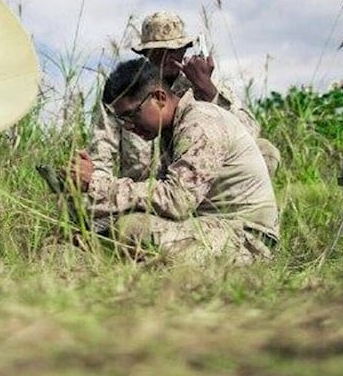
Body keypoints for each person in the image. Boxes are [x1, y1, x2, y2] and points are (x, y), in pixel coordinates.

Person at [82, 58, 280, 264]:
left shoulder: (199, 124)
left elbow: (177, 201)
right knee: (121, 226)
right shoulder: (174, 128)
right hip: (215, 224)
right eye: (123, 120)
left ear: (159, 98)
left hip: (247, 239)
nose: (129, 126)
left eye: (132, 115)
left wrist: (98, 185)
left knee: (131, 228)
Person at [73, 11, 280, 204]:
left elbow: (248, 135)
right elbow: (101, 153)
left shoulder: (201, 83)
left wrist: (208, 92)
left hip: (196, 190)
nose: (169, 58)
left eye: (175, 50)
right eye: (160, 52)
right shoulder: (124, 94)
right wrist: (97, 189)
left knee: (265, 151)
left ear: (184, 50)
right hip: (140, 194)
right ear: (147, 54)